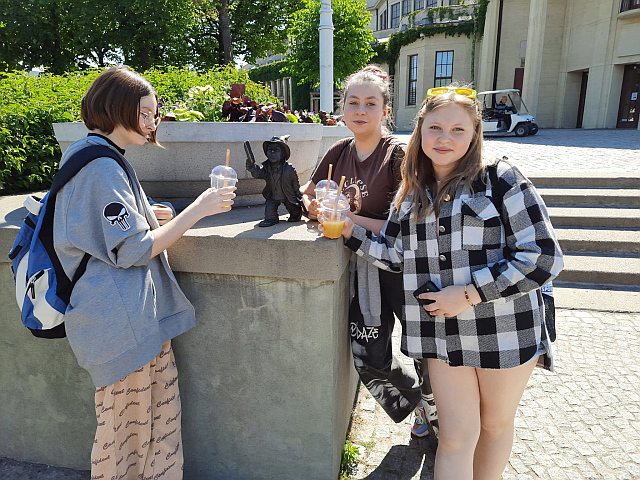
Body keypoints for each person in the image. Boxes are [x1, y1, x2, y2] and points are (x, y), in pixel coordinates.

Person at [333, 85, 564, 479]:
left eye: (458, 129)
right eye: (435, 127)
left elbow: (543, 256)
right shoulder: (410, 192)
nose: (444, 138)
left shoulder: (501, 179)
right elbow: (396, 256)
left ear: (475, 133)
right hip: (440, 334)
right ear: (420, 130)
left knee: (493, 425)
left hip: (503, 329)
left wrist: (471, 293)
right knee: (455, 437)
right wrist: (347, 231)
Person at [54, 66, 236, 480]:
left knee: (155, 430)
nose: (153, 122)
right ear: (115, 108)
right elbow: (133, 250)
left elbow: (101, 225)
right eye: (145, 113)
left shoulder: (91, 153)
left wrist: (147, 214)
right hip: (119, 327)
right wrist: (197, 209)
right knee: (126, 442)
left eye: (155, 113)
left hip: (133, 321)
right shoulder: (101, 167)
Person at [301, 65, 438, 437]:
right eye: (353, 103)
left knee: (423, 350)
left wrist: (346, 219)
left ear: (385, 111)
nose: (360, 110)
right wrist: (313, 207)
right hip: (363, 269)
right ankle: (415, 401)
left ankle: (438, 420)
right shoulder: (338, 151)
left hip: (403, 269)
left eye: (370, 103)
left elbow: (404, 225)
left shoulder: (398, 155)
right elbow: (307, 193)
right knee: (368, 356)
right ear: (343, 108)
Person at [246, 135, 303, 227]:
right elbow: (259, 173)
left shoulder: (289, 168)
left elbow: (294, 181)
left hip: (287, 194)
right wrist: (253, 168)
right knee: (270, 210)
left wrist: (297, 191)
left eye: (276, 150)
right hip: (273, 195)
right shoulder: (266, 167)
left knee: (294, 208)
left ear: (283, 153)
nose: (272, 152)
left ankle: (295, 215)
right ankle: (272, 219)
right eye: (270, 150)